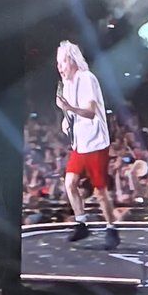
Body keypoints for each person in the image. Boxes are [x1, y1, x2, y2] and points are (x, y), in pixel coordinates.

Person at [54, 41, 120, 248]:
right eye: (58, 63)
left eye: (62, 62)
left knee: (100, 190)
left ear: (72, 61)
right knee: (70, 183)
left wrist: (68, 107)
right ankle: (81, 224)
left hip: (95, 142)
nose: (60, 67)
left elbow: (90, 112)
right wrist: (66, 120)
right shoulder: (68, 84)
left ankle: (112, 229)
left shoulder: (86, 78)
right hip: (80, 144)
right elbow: (71, 116)